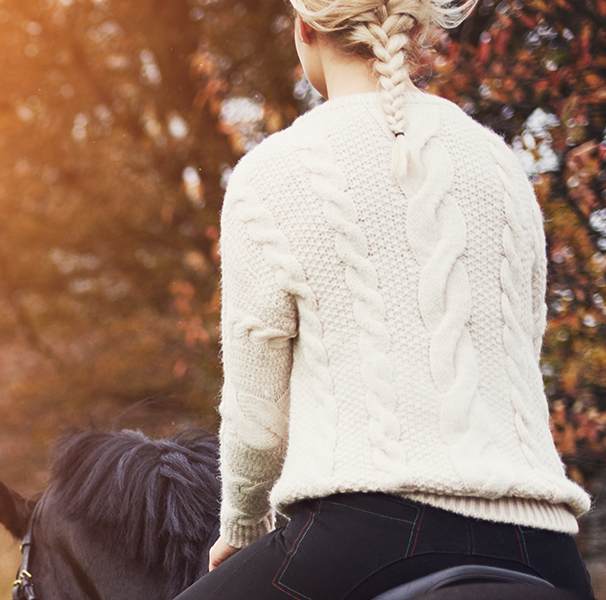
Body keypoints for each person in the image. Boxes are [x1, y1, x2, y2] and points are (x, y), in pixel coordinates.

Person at [172, 0, 597, 598]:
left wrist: (243, 526)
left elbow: (257, 414)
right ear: (416, 31)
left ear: (305, 29)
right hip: (546, 548)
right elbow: (521, 353)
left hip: (370, 533)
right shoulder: (503, 168)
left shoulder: (271, 175)